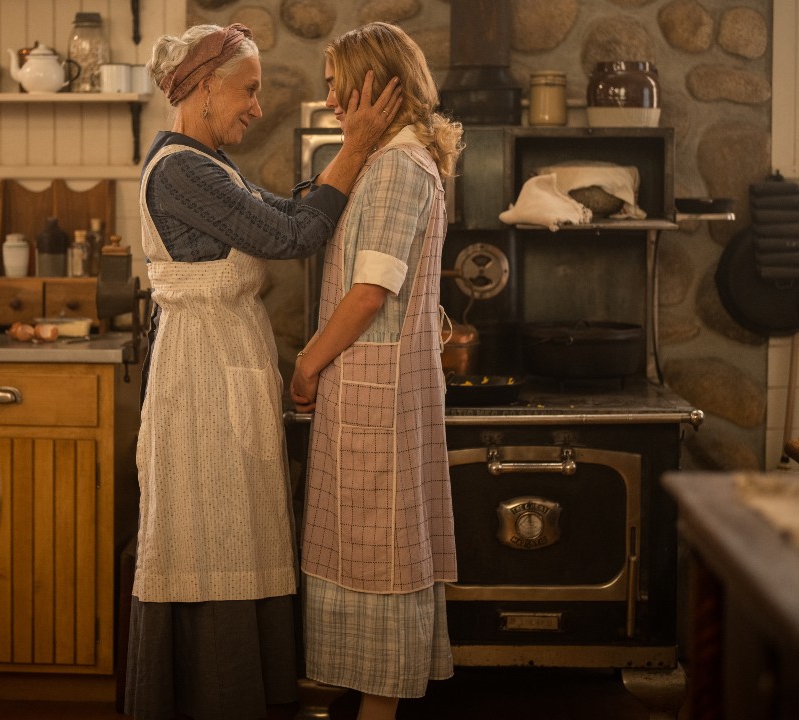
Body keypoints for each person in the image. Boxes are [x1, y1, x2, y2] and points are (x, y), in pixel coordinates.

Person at [127, 22, 401, 720]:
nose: (256, 105)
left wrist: (351, 166)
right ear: (203, 88)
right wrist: (359, 147)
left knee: (236, 530)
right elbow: (293, 235)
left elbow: (284, 211)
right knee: (207, 533)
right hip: (200, 380)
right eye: (247, 91)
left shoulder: (207, 163)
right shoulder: (181, 168)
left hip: (223, 370)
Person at [289, 22, 462, 720]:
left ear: (377, 85)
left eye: (338, 82)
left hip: (375, 395)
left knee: (379, 555)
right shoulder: (391, 158)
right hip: (374, 389)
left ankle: (378, 713)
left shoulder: (396, 167)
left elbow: (370, 292)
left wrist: (307, 360)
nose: (330, 97)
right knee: (368, 550)